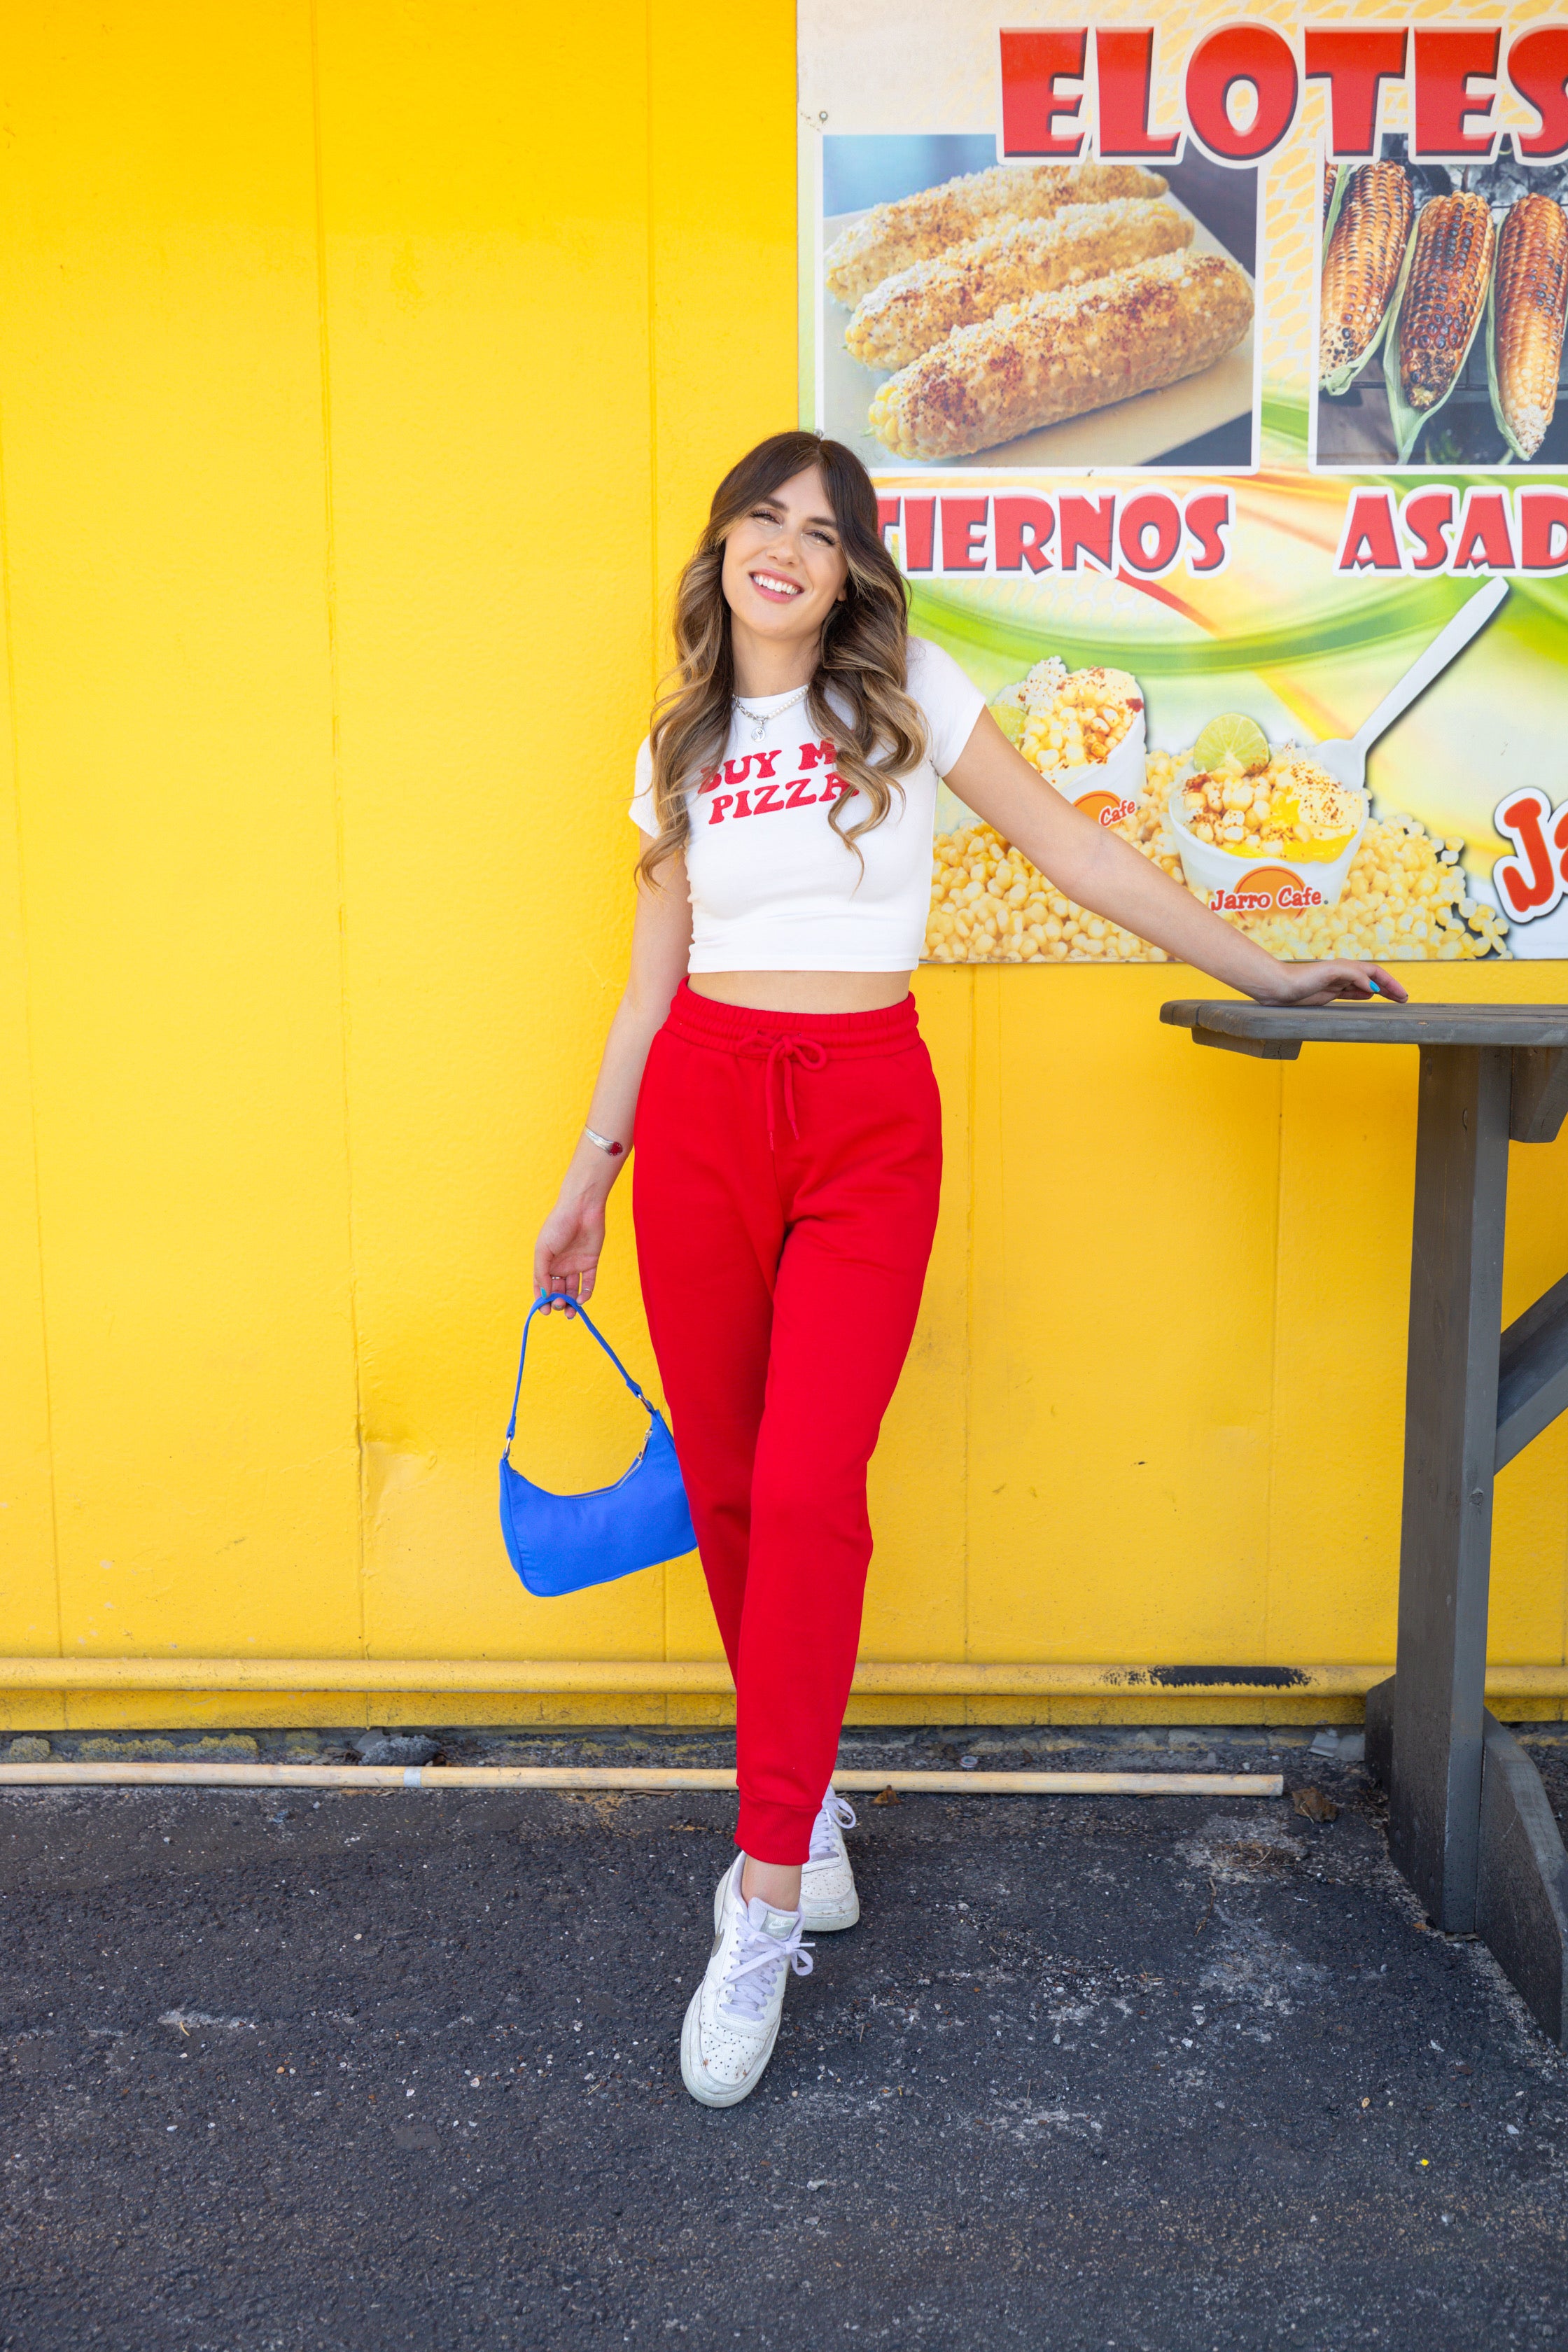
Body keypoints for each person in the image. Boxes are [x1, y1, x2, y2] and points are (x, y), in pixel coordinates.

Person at [532, 428, 1406, 2108]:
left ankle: (764, 1898)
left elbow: (1076, 850)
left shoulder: (907, 694)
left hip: (863, 1115)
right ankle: (808, 1799)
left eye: (818, 529)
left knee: (806, 1486)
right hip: (703, 1114)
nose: (782, 549)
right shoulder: (680, 744)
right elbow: (648, 991)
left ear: (854, 569)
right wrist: (590, 1172)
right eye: (758, 521)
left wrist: (1271, 971)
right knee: (725, 1492)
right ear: (719, 548)